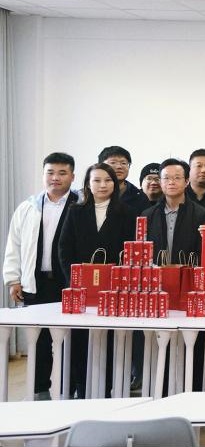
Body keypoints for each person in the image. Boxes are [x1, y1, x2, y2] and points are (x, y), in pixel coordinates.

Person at [3, 152, 77, 399]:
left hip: (68, 284)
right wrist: (13, 279)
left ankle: (69, 391)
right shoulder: (28, 207)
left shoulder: (80, 205)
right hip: (36, 283)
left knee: (71, 340)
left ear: (72, 176)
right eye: (50, 172)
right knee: (39, 340)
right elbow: (14, 244)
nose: (55, 178)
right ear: (43, 174)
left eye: (62, 173)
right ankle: (39, 391)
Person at [58, 162, 135, 398]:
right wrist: (75, 281)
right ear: (87, 184)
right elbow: (64, 248)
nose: (102, 185)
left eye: (108, 180)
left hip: (113, 292)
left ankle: (108, 391)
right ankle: (81, 390)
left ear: (115, 184)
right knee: (79, 342)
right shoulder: (75, 211)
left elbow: (130, 251)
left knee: (111, 343)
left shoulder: (126, 213)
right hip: (80, 290)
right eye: (97, 180)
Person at [142, 158, 205, 263]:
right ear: (161, 182)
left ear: (186, 182)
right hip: (156, 271)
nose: (171, 182)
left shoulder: (202, 214)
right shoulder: (148, 215)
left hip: (188, 271)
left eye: (177, 178)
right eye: (166, 178)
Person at [98, 145, 149, 216]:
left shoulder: (139, 197)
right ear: (101, 166)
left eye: (123, 163)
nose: (119, 166)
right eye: (113, 162)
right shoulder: (89, 194)